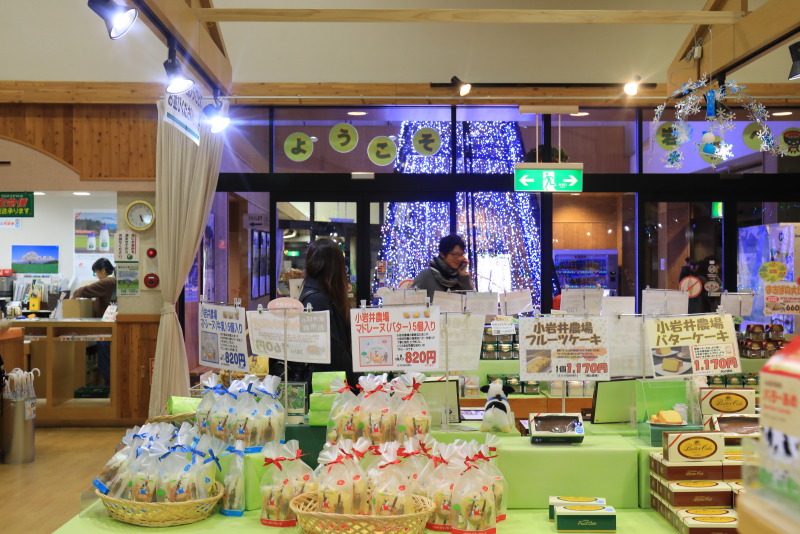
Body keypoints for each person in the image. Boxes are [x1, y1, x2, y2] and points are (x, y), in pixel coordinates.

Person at [298, 238, 358, 391]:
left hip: (324, 385)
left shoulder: (312, 295)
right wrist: (357, 384)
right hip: (326, 388)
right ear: (335, 268)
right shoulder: (317, 301)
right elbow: (335, 353)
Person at [72, 257, 116, 387]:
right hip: (108, 328)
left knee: (105, 361)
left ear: (102, 270)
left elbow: (85, 290)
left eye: (96, 272)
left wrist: (74, 294)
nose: (97, 276)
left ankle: (109, 388)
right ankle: (110, 387)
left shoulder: (108, 281)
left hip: (106, 329)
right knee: (106, 360)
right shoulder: (113, 281)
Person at [413, 234, 474, 299]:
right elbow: (411, 301)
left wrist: (464, 278)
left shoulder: (461, 278)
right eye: (455, 254)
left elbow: (472, 303)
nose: (459, 259)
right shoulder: (426, 276)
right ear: (442, 254)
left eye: (461, 254)